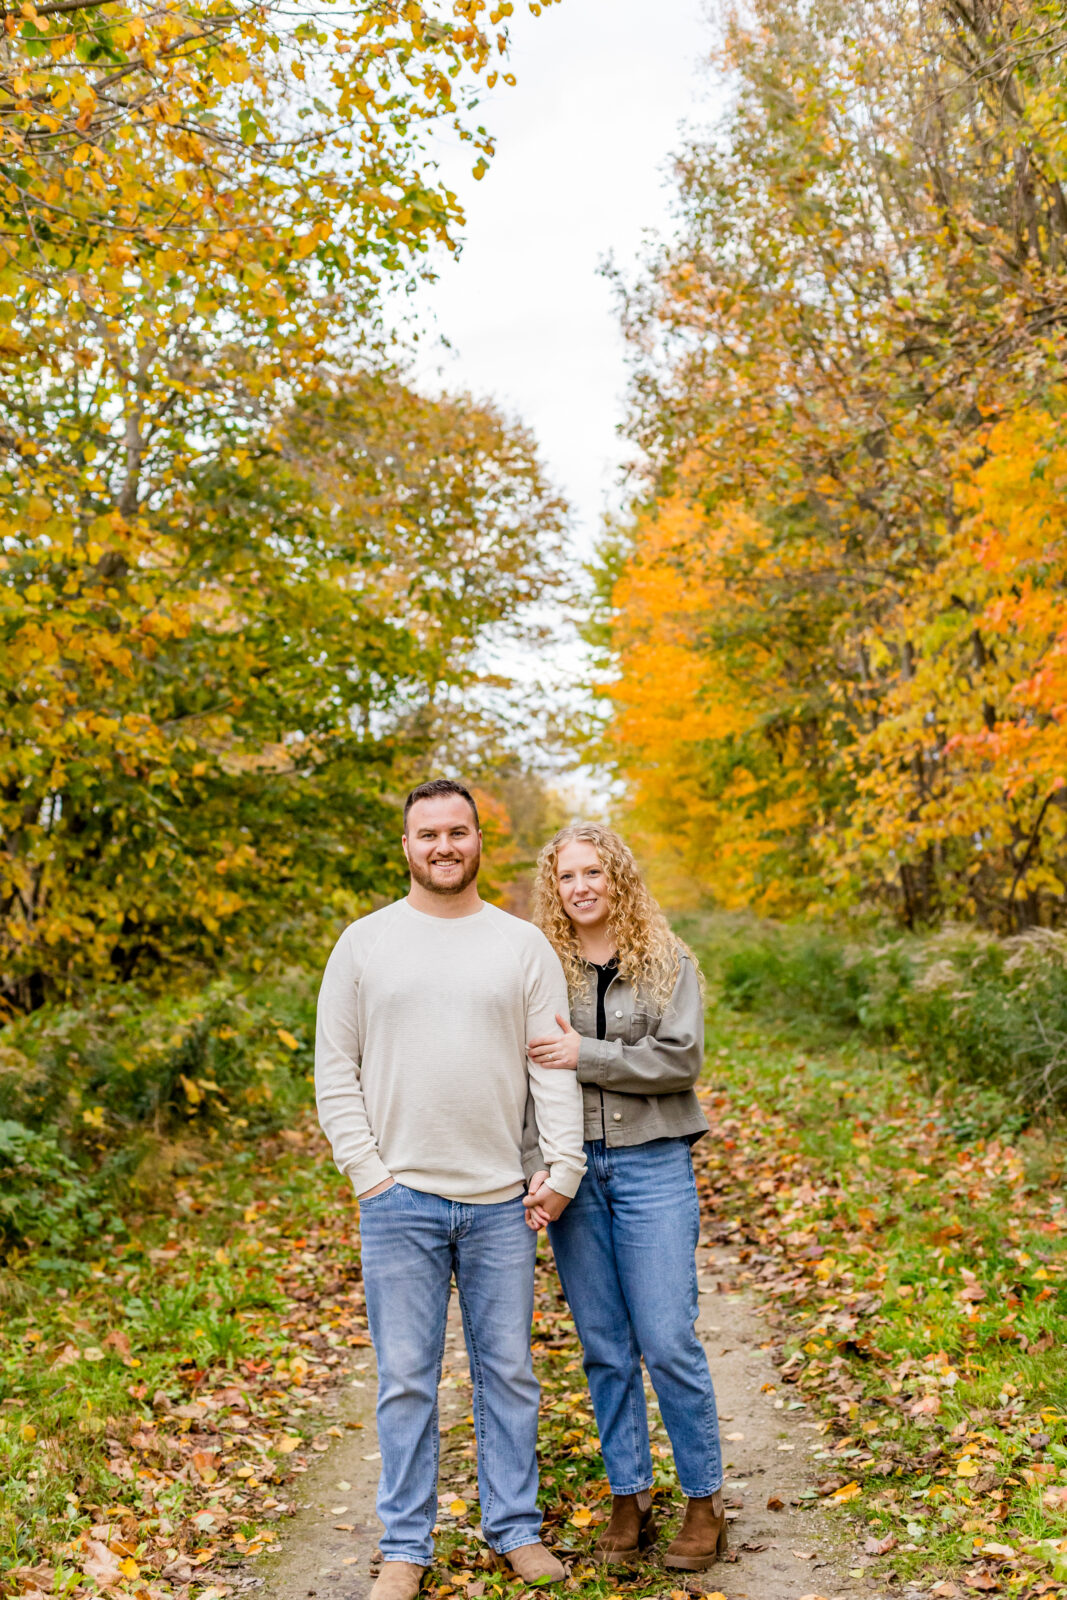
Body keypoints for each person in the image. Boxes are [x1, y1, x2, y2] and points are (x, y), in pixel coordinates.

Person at [315, 780, 586, 1600]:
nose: (443, 846)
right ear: (406, 845)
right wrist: (370, 1174)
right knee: (405, 1378)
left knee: (506, 1373)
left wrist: (563, 1167)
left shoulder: (521, 946)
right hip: (400, 1202)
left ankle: (513, 1529)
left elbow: (554, 1067)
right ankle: (405, 1545)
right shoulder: (363, 944)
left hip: (502, 1198)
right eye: (427, 833)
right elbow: (335, 1069)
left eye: (457, 832)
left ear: (478, 841)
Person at [523, 821, 726, 1571]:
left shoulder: (668, 961)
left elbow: (679, 1060)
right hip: (575, 1169)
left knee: (667, 1337)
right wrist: (537, 1165)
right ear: (555, 887)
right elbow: (527, 1073)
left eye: (592, 873)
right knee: (605, 1346)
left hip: (651, 1164)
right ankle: (628, 1495)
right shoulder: (543, 969)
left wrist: (588, 1054)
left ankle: (704, 1502)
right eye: (566, 877)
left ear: (618, 879)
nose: (580, 888)